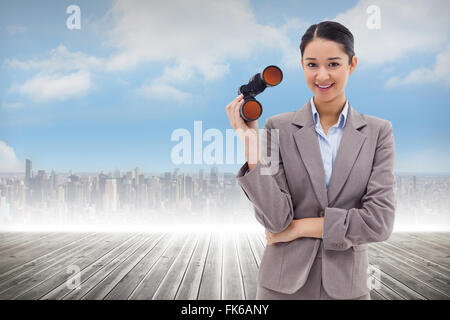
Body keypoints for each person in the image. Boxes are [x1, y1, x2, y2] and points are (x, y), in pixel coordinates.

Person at [225, 21, 396, 300]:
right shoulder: (276, 128)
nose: (322, 75)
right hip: (281, 287)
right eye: (312, 64)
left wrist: (300, 228)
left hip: (348, 288)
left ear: (352, 65)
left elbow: (379, 223)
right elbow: (277, 221)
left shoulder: (378, 132)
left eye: (333, 64)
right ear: (302, 65)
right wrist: (251, 147)